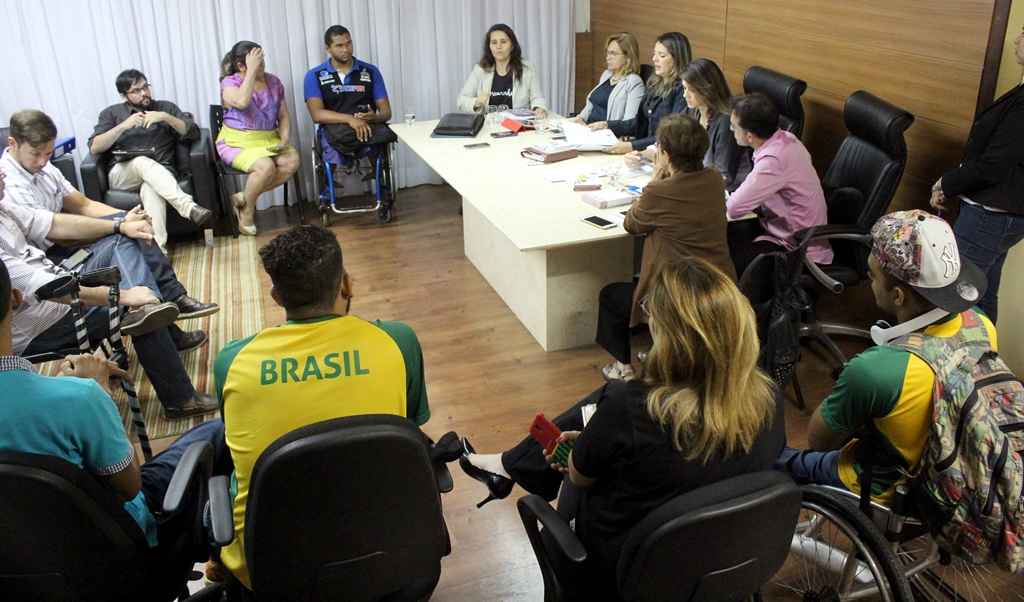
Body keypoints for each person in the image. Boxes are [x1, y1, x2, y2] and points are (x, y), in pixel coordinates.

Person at [460, 257, 784, 598]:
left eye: (650, 311)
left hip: (623, 572)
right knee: (610, 402)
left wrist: (588, 446)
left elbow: (579, 476)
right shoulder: (770, 401)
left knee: (599, 422)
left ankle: (509, 467)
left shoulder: (633, 410)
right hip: (721, 562)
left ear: (667, 334)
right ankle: (509, 466)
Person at [214, 224, 430, 590]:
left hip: (273, 575)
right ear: (346, 284)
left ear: (276, 296)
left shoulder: (233, 362)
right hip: (390, 559)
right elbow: (405, 431)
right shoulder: (398, 341)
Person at [0, 255, 231, 593]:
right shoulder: (77, 400)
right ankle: (225, 568)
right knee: (217, 433)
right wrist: (98, 393)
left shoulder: (69, 398)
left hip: (20, 577)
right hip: (113, 561)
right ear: (16, 298)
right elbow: (128, 486)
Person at [776, 210, 990, 504]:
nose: (870, 283)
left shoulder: (876, 370)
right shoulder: (981, 323)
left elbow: (819, 441)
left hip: (887, 486)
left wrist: (858, 396)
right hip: (955, 476)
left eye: (872, 276)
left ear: (898, 296)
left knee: (779, 459)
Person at [0, 165, 218, 421]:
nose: (3, 174)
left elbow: (55, 223)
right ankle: (181, 400)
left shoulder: (3, 210)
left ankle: (148, 311)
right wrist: (124, 296)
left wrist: (120, 224)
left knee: (121, 239)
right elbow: (48, 288)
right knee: (132, 309)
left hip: (60, 285)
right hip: (42, 323)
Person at [3, 110, 217, 354]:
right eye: (36, 154)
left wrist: (127, 217)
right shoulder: (9, 186)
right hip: (53, 261)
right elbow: (59, 235)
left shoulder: (45, 169)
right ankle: (170, 307)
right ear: (13, 143)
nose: (43, 161)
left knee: (132, 232)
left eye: (48, 154)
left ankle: (165, 304)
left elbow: (84, 205)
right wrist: (121, 224)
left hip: (67, 247)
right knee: (126, 237)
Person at [596, 114, 735, 382]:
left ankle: (622, 368)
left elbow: (631, 224)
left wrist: (655, 179)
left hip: (676, 294)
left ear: (666, 154)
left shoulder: (658, 192)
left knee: (610, 296)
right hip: (717, 286)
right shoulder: (714, 178)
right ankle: (659, 348)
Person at [929, 25, 1024, 323]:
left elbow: (993, 165)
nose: (1017, 39)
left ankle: (941, 353)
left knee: (952, 295)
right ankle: (985, 351)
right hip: (1002, 215)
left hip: (991, 216)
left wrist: (947, 183)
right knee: (982, 296)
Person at [88, 69, 213, 250]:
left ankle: (158, 252)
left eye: (145, 87)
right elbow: (95, 146)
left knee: (151, 188)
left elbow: (193, 132)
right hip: (123, 174)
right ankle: (188, 207)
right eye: (136, 91)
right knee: (142, 162)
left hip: (161, 174)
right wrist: (124, 125)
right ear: (124, 96)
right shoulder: (111, 113)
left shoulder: (165, 107)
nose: (144, 93)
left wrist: (165, 117)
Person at [726, 92, 832, 283]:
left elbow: (733, 209)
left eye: (734, 126)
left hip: (796, 248)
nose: (730, 129)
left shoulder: (773, 161)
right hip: (782, 231)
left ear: (749, 136)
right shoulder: (787, 138)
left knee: (723, 262)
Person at [629, 58, 751, 193]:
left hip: (724, 194)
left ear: (708, 88)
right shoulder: (692, 111)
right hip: (694, 184)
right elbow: (667, 144)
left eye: (692, 90)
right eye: (685, 88)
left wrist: (681, 183)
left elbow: (723, 177)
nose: (685, 95)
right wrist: (640, 156)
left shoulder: (726, 123)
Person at [218, 40, 301, 236]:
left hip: (268, 140)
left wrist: (284, 138)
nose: (262, 63)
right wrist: (251, 72)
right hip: (237, 142)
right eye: (256, 60)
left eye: (262, 58)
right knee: (266, 167)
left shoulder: (274, 82)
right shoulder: (229, 83)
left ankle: (244, 197)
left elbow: (283, 116)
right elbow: (241, 101)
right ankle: (247, 212)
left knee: (292, 160)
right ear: (241, 65)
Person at [303, 25, 397, 168]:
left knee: (378, 141)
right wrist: (350, 119)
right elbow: (317, 114)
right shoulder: (314, 75)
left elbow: (386, 111)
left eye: (348, 43)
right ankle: (330, 181)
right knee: (330, 149)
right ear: (328, 48)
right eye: (339, 45)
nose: (346, 49)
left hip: (368, 127)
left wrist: (375, 118)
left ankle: (377, 176)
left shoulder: (370, 71)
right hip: (334, 131)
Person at [602, 31, 691, 155]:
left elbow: (672, 135)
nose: (655, 59)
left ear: (677, 59)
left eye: (662, 55)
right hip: (644, 152)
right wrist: (608, 125)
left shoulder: (683, 90)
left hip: (665, 155)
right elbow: (640, 123)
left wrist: (633, 146)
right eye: (655, 53)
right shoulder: (653, 82)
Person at [456, 23, 549, 117]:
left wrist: (539, 108)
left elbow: (537, 97)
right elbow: (462, 99)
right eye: (494, 42)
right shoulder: (480, 69)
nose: (499, 46)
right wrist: (476, 102)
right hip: (490, 123)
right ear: (489, 47)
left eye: (503, 42)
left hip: (518, 123)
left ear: (512, 46)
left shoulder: (528, 68)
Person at [574, 32, 645, 137]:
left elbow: (629, 124)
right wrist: (581, 119)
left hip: (606, 135)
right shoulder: (607, 75)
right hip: (587, 129)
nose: (608, 57)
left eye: (613, 54)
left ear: (628, 56)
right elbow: (592, 104)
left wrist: (604, 125)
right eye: (607, 53)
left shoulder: (634, 82)